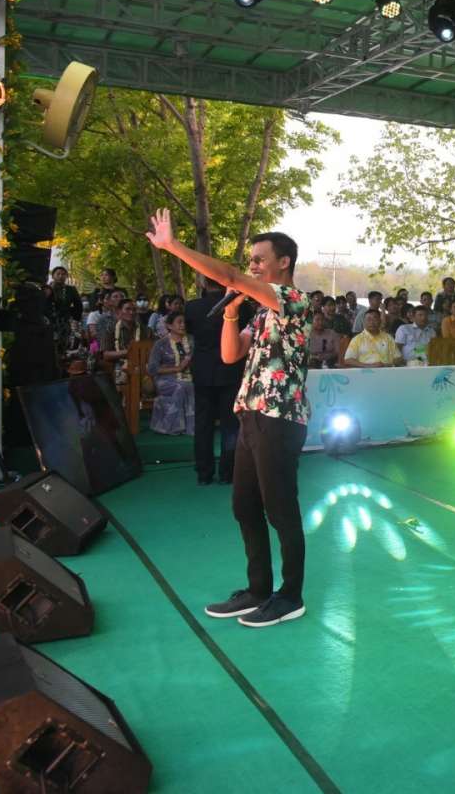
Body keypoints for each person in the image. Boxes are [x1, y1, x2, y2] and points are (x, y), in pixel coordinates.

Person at [145, 209, 315, 629]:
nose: (252, 265)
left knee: (280, 509)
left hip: (280, 417)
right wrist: (230, 312)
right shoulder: (261, 312)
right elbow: (229, 354)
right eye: (250, 260)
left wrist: (172, 246)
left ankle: (290, 596)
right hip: (251, 416)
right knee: (245, 506)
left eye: (259, 259)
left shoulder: (294, 300)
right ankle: (258, 590)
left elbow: (231, 276)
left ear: (284, 262)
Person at [184, 279, 247, 485]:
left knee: (203, 424)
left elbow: (190, 332)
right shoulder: (242, 306)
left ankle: (204, 473)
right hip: (231, 370)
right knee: (230, 424)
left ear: (204, 283)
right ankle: (228, 472)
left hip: (203, 370)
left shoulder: (192, 307)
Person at [147, 310, 196, 434]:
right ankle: (172, 427)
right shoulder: (160, 344)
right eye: (179, 322)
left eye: (184, 322)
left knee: (190, 385)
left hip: (189, 376)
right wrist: (177, 368)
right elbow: (152, 369)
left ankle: (192, 426)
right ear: (169, 326)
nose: (183, 325)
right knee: (182, 386)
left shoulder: (192, 341)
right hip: (165, 379)